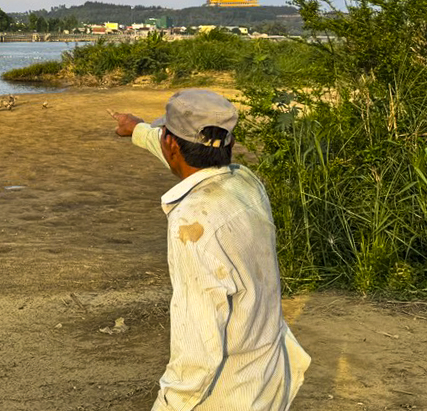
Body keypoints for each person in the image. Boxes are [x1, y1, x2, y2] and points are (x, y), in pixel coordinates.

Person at [111, 89, 310, 410]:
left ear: (172, 144)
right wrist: (137, 129)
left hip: (229, 394)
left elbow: (198, 343)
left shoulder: (191, 222)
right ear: (230, 142)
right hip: (269, 374)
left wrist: (171, 404)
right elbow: (185, 158)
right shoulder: (246, 183)